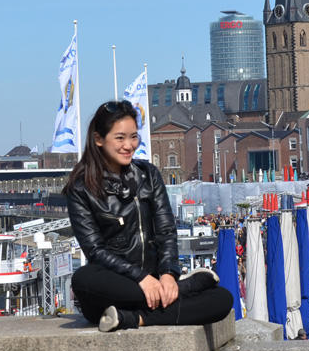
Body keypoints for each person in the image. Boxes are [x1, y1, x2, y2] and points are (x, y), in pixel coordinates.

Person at [66, 100, 233, 332]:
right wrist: (142, 279)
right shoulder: (80, 188)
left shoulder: (148, 175)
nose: (129, 145)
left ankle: (134, 319)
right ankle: (185, 289)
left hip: (155, 283)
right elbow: (95, 251)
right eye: (120, 137)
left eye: (133, 137)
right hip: (116, 287)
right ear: (98, 139)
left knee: (222, 300)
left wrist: (166, 274)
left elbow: (166, 231)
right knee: (83, 278)